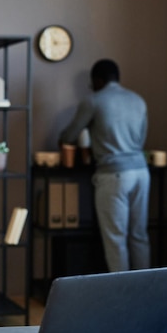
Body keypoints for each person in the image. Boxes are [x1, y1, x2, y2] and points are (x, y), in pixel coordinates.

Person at [59, 59, 149, 272]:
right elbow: (142, 138)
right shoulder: (138, 100)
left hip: (114, 174)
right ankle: (145, 293)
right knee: (139, 235)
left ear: (97, 80)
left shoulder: (94, 101)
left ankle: (123, 296)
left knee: (115, 238)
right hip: (142, 172)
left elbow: (69, 136)